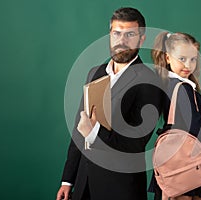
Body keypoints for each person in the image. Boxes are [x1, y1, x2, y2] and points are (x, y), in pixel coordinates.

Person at [56, 7, 162, 200]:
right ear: (110, 35)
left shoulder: (150, 81)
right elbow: (79, 130)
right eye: (116, 33)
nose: (122, 41)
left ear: (141, 39)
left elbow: (136, 144)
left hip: (120, 188)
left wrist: (94, 132)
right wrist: (67, 180)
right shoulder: (95, 73)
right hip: (83, 184)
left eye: (130, 34)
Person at [148, 32, 201, 200]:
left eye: (193, 59)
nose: (188, 65)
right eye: (182, 58)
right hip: (186, 163)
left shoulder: (166, 83)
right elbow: (193, 126)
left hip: (173, 160)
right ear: (167, 58)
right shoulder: (183, 87)